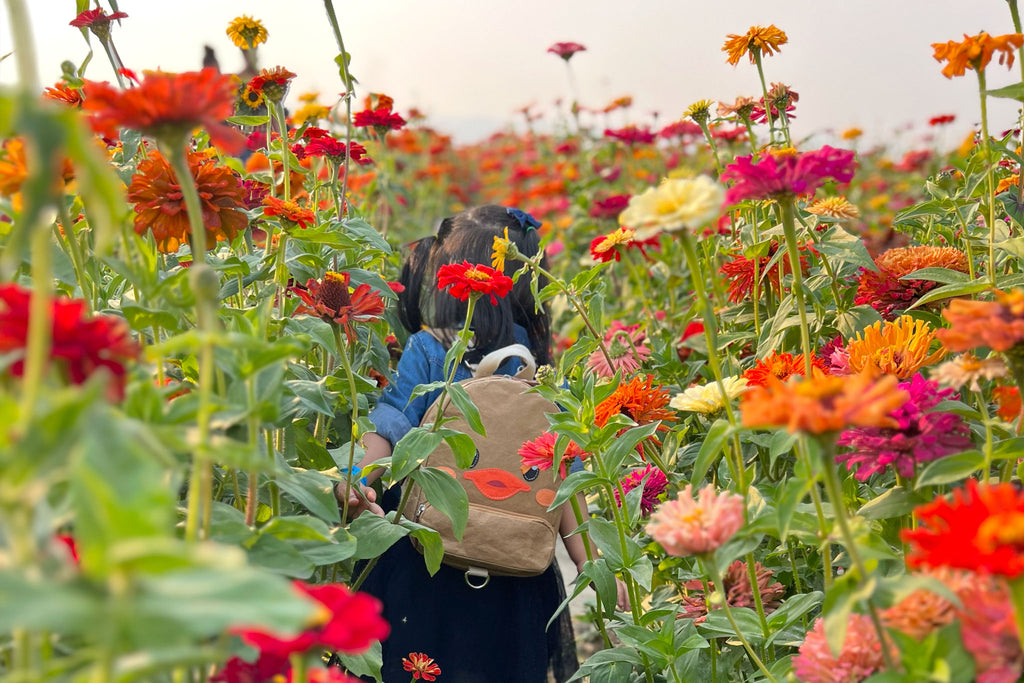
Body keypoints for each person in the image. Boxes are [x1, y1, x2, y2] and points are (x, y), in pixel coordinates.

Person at [335, 205, 628, 683]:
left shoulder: (429, 349)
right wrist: (589, 562)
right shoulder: (532, 364)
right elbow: (563, 473)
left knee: (414, 664)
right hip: (511, 571)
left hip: (424, 553)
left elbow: (387, 428)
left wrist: (358, 482)